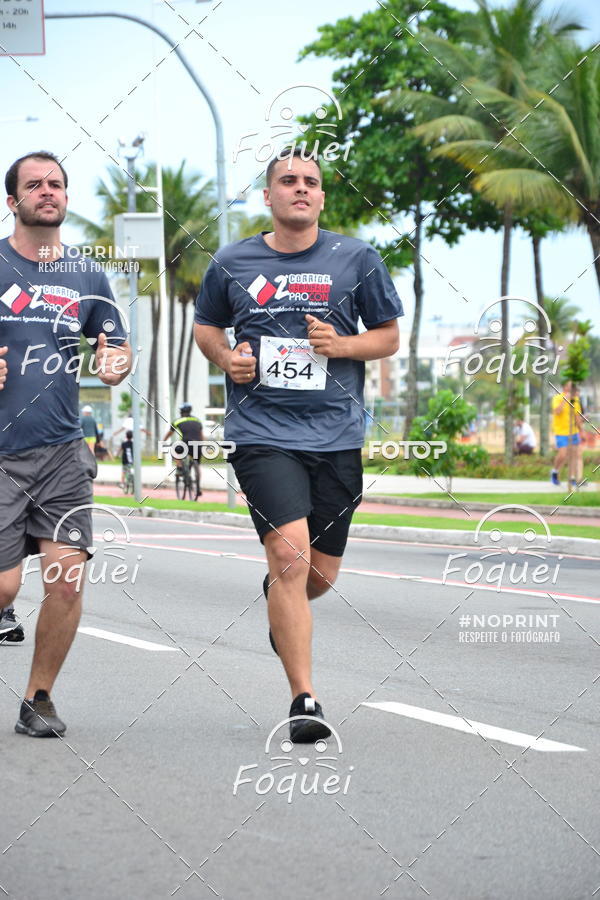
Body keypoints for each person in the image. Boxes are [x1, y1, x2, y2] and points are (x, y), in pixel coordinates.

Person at [194, 148, 403, 743]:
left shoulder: (356, 258)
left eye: (311, 181)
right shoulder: (234, 261)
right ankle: (304, 700)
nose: (301, 188)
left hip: (336, 436)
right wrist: (226, 358)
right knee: (289, 557)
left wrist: (342, 346)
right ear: (269, 196)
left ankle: (282, 605)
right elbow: (207, 325)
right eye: (288, 181)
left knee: (319, 576)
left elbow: (388, 337)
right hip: (262, 433)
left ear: (322, 197)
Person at [0, 151, 131, 736]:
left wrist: (115, 363)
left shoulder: (85, 274)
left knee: (66, 579)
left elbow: (117, 347)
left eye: (55, 183)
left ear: (66, 198)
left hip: (61, 452)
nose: (47, 191)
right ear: (13, 201)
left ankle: (38, 699)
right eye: (34, 185)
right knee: (5, 585)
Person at [162, 403, 204, 493]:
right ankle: (198, 487)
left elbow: (169, 433)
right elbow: (201, 435)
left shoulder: (177, 421)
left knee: (174, 449)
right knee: (197, 465)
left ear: (181, 412)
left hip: (185, 444)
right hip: (198, 445)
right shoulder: (197, 420)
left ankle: (180, 467)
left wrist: (163, 441)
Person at [550, 379, 583, 487]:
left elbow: (577, 416)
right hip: (561, 431)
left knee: (574, 455)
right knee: (563, 454)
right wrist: (565, 400)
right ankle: (555, 471)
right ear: (564, 387)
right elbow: (557, 411)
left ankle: (572, 478)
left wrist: (581, 431)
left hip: (574, 432)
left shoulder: (576, 400)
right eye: (569, 385)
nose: (571, 387)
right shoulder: (557, 398)